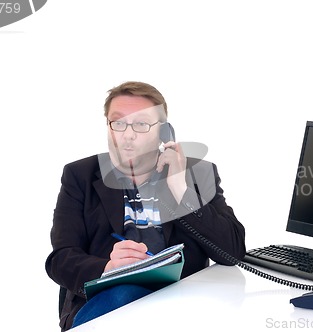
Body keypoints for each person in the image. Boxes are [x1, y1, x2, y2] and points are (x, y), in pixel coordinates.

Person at [45, 81, 247, 331]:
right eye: (118, 123)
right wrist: (108, 268)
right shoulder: (80, 175)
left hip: (180, 305)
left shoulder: (197, 174)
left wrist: (180, 189)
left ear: (164, 133)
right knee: (124, 295)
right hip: (108, 302)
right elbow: (60, 259)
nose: (127, 134)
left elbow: (232, 250)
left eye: (141, 124)